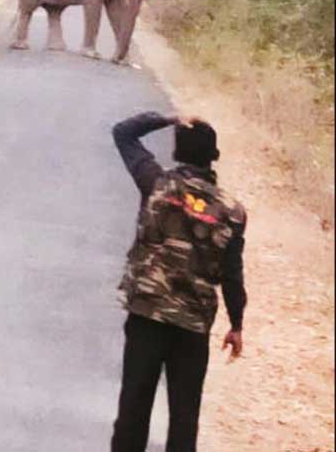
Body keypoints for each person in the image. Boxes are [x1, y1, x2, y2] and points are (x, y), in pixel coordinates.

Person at [110, 111, 247, 452]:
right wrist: (236, 324)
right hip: (193, 326)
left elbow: (124, 132)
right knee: (185, 418)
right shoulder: (232, 211)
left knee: (133, 409)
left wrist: (170, 117)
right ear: (212, 157)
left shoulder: (156, 183)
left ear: (178, 152)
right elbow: (232, 274)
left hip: (147, 316)